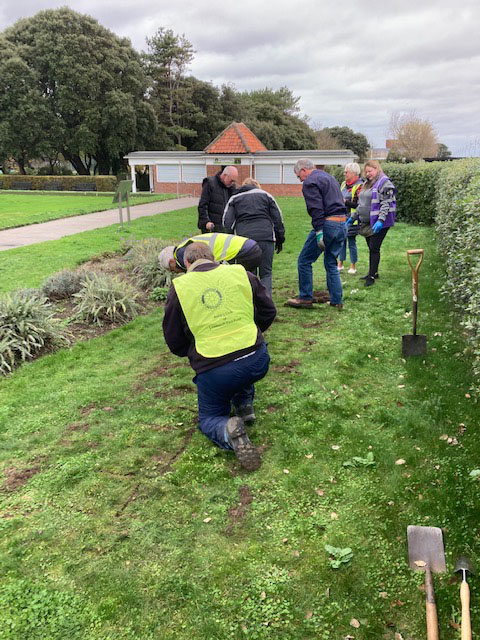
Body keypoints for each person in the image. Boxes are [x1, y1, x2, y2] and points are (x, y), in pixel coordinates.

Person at [162, 242, 276, 471]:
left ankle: (226, 430)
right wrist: (252, 333)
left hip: (215, 368)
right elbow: (268, 310)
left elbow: (173, 338)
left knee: (209, 417)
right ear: (213, 257)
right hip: (257, 359)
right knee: (240, 370)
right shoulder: (240, 273)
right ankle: (245, 406)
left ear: (186, 263)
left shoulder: (180, 287)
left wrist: (193, 353)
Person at [285, 158, 347, 309]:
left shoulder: (310, 182)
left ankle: (305, 297)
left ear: (303, 170)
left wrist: (319, 231)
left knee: (304, 260)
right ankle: (336, 300)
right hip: (342, 223)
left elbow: (316, 208)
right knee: (331, 264)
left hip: (328, 225)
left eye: (299, 176)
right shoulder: (329, 177)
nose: (300, 180)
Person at [223, 177, 285, 296]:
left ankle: (251, 302)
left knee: (248, 273)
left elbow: (227, 223)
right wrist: (280, 239)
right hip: (266, 238)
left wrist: (230, 242)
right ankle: (266, 304)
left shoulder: (234, 199)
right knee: (266, 273)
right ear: (257, 186)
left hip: (244, 241)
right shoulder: (266, 196)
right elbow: (278, 219)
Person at [347, 160, 396, 287]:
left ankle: (372, 276)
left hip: (379, 222)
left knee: (374, 248)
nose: (368, 174)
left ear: (377, 169)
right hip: (367, 222)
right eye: (366, 171)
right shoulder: (366, 184)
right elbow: (362, 204)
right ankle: (373, 271)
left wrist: (380, 220)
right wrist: (353, 217)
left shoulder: (385, 183)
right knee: (371, 247)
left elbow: (386, 203)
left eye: (370, 171)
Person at [158, 232, 262, 273]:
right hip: (249, 246)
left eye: (172, 270)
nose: (175, 273)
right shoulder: (183, 246)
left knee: (235, 286)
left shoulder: (182, 256)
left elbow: (202, 271)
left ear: (172, 261)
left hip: (241, 252)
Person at [338, 162, 363, 275]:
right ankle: (340, 263)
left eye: (346, 172)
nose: (344, 174)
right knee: (341, 241)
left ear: (354, 173)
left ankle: (353, 266)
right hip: (341, 217)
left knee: (351, 242)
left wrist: (345, 202)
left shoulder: (360, 186)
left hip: (353, 218)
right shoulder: (343, 184)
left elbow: (360, 205)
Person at [197, 166, 238, 233]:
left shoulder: (232, 188)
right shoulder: (210, 183)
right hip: (211, 227)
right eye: (231, 180)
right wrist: (206, 222)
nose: (232, 183)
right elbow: (203, 205)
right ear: (225, 176)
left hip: (226, 228)